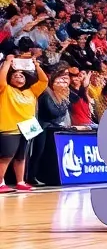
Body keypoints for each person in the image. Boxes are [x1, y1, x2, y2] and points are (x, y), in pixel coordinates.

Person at [0, 53, 49, 192]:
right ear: (10, 79)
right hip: (10, 127)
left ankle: (20, 182)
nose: (18, 76)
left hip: (28, 128)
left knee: (21, 157)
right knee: (6, 156)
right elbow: (1, 80)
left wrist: (37, 65)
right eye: (15, 76)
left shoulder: (31, 91)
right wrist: (8, 62)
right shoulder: (5, 90)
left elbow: (44, 81)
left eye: (21, 75)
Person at [30, 66, 72, 185]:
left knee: (45, 154)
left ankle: (41, 176)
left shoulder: (63, 96)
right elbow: (52, 112)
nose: (62, 83)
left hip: (50, 128)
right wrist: (64, 104)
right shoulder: (47, 93)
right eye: (59, 80)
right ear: (53, 81)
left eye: (64, 81)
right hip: (41, 127)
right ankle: (31, 176)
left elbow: (61, 113)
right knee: (38, 152)